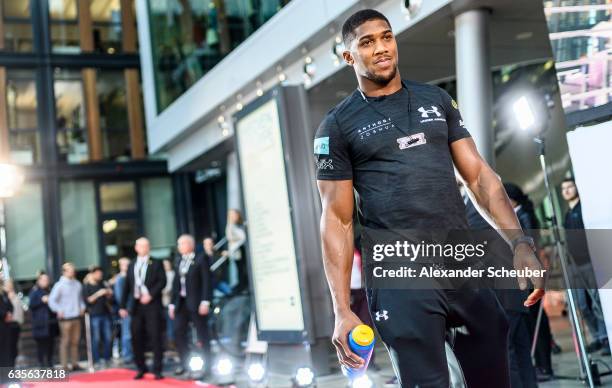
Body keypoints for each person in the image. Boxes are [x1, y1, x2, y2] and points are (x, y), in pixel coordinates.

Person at [314, 9, 544, 387]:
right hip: (400, 275)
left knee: (494, 366)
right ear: (349, 57)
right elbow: (336, 220)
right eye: (367, 42)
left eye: (387, 37)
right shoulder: (337, 126)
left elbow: (480, 177)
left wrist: (519, 243)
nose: (382, 48)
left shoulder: (435, 99)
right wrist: (342, 309)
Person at [561, 177, 609, 355]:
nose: (566, 191)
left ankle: (605, 338)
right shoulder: (567, 213)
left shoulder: (584, 209)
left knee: (597, 303)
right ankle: (597, 336)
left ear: (576, 188)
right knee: (581, 305)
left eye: (569, 187)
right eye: (563, 188)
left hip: (589, 262)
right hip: (574, 265)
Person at [119, 237, 166, 380]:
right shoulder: (132, 264)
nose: (144, 248)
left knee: (155, 336)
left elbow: (162, 281)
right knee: (136, 336)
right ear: (136, 248)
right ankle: (141, 367)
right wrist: (122, 306)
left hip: (152, 305)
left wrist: (151, 295)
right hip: (136, 306)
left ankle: (157, 369)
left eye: (146, 246)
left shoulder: (156, 263)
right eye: (141, 246)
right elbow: (127, 286)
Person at [169, 234, 213, 377]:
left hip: (197, 303)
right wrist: (171, 304)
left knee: (202, 334)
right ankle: (185, 364)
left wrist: (205, 301)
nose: (179, 247)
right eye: (178, 244)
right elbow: (175, 284)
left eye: (181, 244)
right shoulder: (179, 261)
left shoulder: (201, 258)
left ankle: (207, 367)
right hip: (180, 303)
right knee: (178, 332)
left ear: (190, 244)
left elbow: (207, 281)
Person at [49, 262, 86, 371]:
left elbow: (80, 299)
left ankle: (75, 363)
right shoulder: (59, 285)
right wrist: (58, 310)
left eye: (73, 269)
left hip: (76, 317)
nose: (72, 271)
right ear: (64, 271)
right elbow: (52, 300)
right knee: (65, 342)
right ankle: (64, 365)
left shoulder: (77, 284)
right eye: (69, 269)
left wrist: (82, 307)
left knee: (75, 341)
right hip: (65, 319)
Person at [83, 266, 113, 368]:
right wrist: (99, 293)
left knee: (108, 337)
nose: (100, 275)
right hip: (94, 315)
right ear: (93, 274)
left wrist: (108, 292)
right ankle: (96, 359)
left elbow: (109, 298)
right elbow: (88, 300)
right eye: (98, 274)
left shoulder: (102, 283)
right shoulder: (87, 286)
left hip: (105, 313)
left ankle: (107, 358)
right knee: (96, 338)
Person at [29, 273, 59, 367]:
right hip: (40, 324)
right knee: (41, 346)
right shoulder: (35, 291)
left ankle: (50, 364)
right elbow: (31, 305)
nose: (46, 282)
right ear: (39, 281)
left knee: (51, 345)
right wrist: (42, 301)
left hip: (51, 323)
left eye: (47, 280)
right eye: (44, 280)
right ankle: (41, 365)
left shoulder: (50, 290)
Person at [112, 257, 133, 364]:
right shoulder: (120, 279)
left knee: (133, 333)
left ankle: (132, 354)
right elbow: (119, 296)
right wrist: (123, 308)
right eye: (124, 264)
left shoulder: (130, 276)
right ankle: (127, 355)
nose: (126, 266)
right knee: (127, 334)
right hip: (126, 310)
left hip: (133, 309)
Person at [224, 209, 247, 291]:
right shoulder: (231, 225)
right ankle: (242, 285)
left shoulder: (237, 225)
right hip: (235, 250)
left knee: (241, 268)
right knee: (239, 268)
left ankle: (243, 285)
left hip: (238, 249)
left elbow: (242, 237)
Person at [4, 279, 24, 367]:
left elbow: (19, 310)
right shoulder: (4, 296)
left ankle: (14, 365)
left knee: (15, 347)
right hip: (7, 325)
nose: (9, 286)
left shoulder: (16, 295)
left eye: (10, 284)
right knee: (9, 347)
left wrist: (20, 321)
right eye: (7, 284)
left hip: (16, 324)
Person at [0, 276, 14, 368]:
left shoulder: (3, 292)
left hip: (6, 325)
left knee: (7, 350)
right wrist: (5, 314)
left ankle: (7, 373)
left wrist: (9, 313)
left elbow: (10, 306)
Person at [162, 259, 175, 349]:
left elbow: (170, 289)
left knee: (171, 324)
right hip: (163, 303)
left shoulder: (172, 274)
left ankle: (172, 342)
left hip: (170, 303)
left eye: (167, 264)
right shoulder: (162, 275)